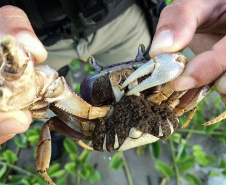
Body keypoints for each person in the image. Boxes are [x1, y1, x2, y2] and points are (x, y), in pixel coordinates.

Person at [1, 0, 226, 144]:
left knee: (191, 72)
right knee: (44, 101)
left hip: (121, 18)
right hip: (39, 36)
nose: (123, 81)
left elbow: (193, 75)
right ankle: (62, 137)